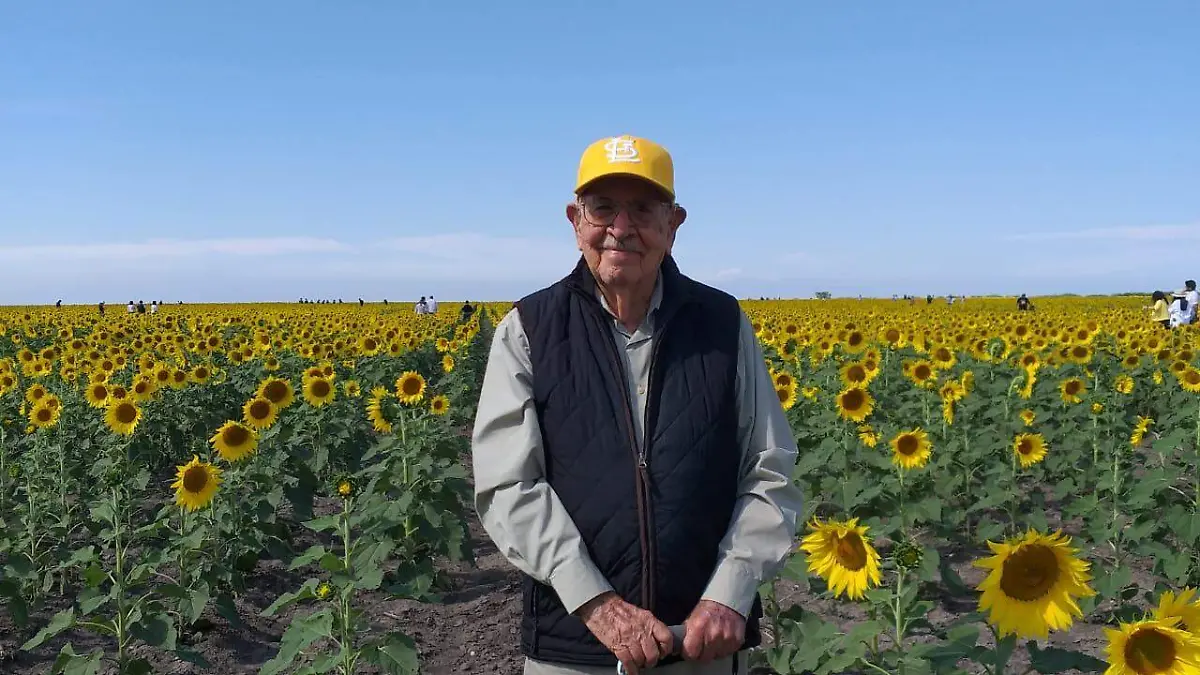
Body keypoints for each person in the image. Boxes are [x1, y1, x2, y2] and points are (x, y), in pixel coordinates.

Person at [471, 134, 802, 675]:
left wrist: (731, 592)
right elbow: (509, 484)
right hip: (574, 646)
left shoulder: (723, 325)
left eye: (644, 209)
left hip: (702, 642)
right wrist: (595, 602)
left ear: (674, 224)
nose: (621, 228)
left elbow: (768, 469)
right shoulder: (530, 328)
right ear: (575, 220)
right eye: (603, 208)